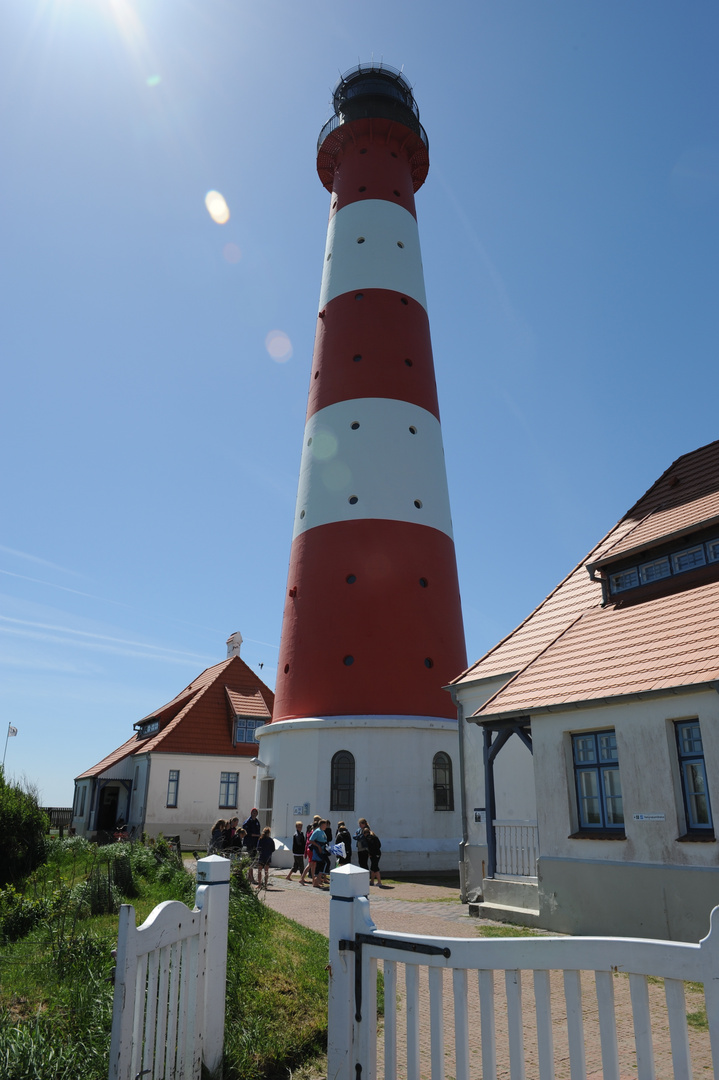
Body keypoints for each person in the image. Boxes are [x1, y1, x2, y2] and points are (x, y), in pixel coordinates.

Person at [300, 817, 321, 885]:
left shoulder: (311, 831)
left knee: (313, 865)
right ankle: (302, 879)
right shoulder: (313, 832)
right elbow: (312, 841)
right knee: (310, 864)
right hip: (311, 849)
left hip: (311, 849)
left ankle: (313, 880)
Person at [242, 808, 261, 883]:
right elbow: (247, 833)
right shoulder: (247, 822)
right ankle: (250, 877)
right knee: (250, 860)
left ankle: (250, 876)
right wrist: (256, 835)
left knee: (252, 860)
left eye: (256, 812)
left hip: (255, 843)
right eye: (253, 812)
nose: (254, 813)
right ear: (251, 813)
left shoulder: (256, 821)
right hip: (249, 843)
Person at [309, 819, 329, 887]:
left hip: (323, 849)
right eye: (324, 825)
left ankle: (317, 881)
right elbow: (311, 840)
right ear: (321, 825)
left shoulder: (323, 831)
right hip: (318, 850)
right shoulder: (317, 831)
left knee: (321, 864)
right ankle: (316, 881)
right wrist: (318, 846)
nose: (325, 826)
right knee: (322, 863)